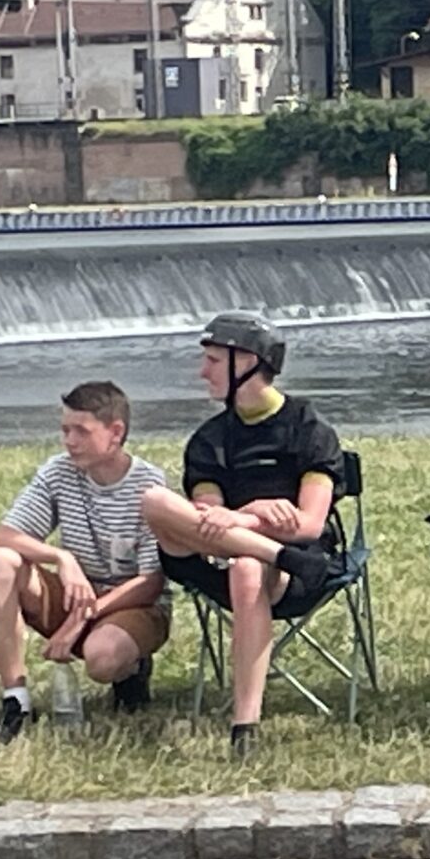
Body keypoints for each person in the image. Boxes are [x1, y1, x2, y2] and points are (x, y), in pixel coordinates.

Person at [139, 313, 344, 760]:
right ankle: (271, 553)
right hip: (214, 558)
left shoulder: (309, 429)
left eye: (213, 361)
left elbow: (309, 525)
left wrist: (242, 520)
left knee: (248, 568)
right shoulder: (209, 439)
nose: (202, 372)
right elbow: (207, 518)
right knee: (154, 500)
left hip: (295, 568)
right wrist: (250, 514)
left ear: (247, 361)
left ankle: (244, 726)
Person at [0, 380, 171, 744]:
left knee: (103, 659)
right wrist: (60, 557)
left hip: (130, 603)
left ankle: (131, 669)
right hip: (75, 594)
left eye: (81, 431)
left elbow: (151, 582)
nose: (69, 441)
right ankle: (15, 698)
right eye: (65, 430)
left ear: (116, 433)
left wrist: (83, 616)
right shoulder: (59, 472)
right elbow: (4, 536)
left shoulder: (150, 485)